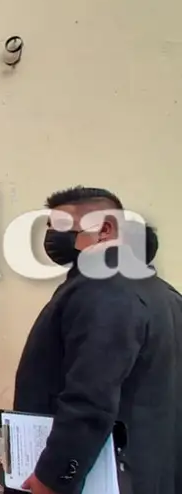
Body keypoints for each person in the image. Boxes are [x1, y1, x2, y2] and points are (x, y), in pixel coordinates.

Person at [12, 187, 182, 494]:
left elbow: (90, 396)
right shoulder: (163, 293)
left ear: (104, 229)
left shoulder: (104, 289)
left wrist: (54, 476)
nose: (52, 237)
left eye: (61, 227)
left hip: (103, 476)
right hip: (147, 470)